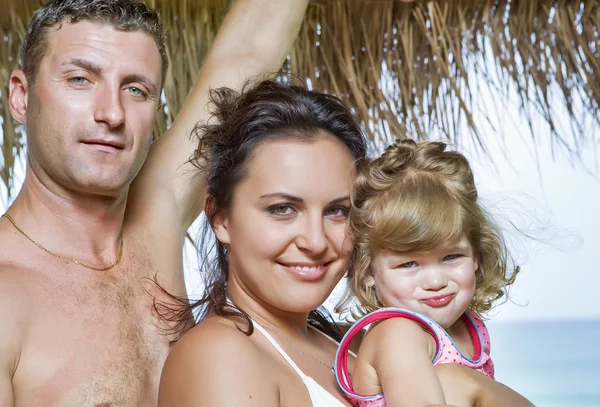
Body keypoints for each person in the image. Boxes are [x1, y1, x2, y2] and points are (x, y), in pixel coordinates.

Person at [0, 0, 309, 405]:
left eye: (135, 89)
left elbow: (248, 50)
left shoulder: (156, 209)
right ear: (21, 97)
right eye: (80, 79)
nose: (111, 113)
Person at [157, 81, 533, 407]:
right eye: (283, 209)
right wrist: (465, 387)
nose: (316, 241)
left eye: (337, 211)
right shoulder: (220, 355)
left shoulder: (351, 343)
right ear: (221, 218)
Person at [333, 140, 534, 407]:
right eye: (409, 264)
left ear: (476, 255)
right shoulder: (398, 334)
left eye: (451, 257)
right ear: (368, 270)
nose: (436, 281)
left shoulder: (468, 327)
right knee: (451, 379)